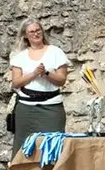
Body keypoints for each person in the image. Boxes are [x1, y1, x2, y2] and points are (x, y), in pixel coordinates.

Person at [8, 19, 70, 160]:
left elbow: (61, 80)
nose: (36, 34)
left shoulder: (56, 52)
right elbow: (16, 83)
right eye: (32, 31)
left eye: (38, 30)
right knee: (24, 147)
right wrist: (34, 73)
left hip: (51, 106)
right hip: (27, 108)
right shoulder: (20, 57)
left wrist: (46, 73)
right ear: (25, 35)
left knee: (54, 145)